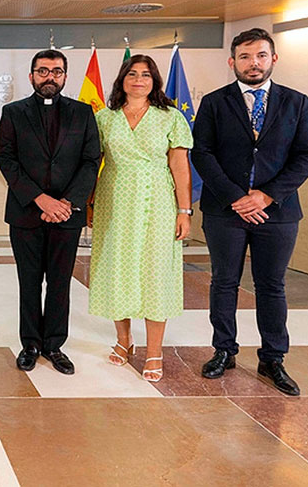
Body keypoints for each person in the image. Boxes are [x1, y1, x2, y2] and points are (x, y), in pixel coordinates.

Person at [192, 28, 308, 395]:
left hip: (277, 213)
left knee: (271, 286)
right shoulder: (215, 103)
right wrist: (236, 198)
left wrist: (265, 196)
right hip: (225, 211)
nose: (253, 63)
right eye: (245, 57)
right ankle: (223, 351)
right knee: (224, 283)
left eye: (261, 55)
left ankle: (273, 359)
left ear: (273, 59)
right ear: (232, 62)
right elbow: (202, 153)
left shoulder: (297, 103)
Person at [88, 54, 193, 382]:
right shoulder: (105, 118)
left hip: (157, 202)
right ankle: (124, 340)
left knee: (154, 274)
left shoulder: (170, 117)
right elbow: (95, 163)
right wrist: (89, 204)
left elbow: (179, 166)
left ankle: (154, 351)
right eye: (132, 74)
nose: (138, 80)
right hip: (114, 201)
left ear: (155, 81)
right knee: (117, 270)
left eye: (145, 75)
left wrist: (184, 210)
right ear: (122, 79)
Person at [0, 50, 100, 375]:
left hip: (67, 216)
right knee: (29, 282)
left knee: (59, 283)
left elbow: (90, 160)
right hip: (27, 213)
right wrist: (40, 199)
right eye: (43, 71)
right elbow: (7, 160)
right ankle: (30, 343)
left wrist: (67, 203)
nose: (49, 77)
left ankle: (54, 345)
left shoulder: (83, 113)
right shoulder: (12, 112)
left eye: (56, 71)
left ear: (65, 77)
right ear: (31, 77)